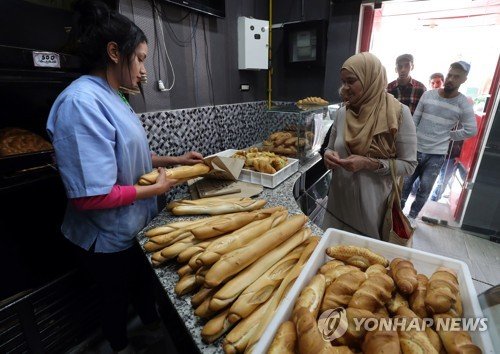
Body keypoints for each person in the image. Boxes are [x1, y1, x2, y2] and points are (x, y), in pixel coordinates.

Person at [46, 1, 203, 352]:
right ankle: (120, 347)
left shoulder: (116, 97)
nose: (144, 69)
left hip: (132, 226)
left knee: (144, 290)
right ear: (115, 52)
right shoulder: (81, 103)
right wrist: (157, 189)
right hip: (103, 239)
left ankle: (152, 333)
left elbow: (127, 158)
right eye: (142, 58)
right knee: (114, 305)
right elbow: (90, 196)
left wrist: (175, 158)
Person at [322, 52, 417, 239]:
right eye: (343, 82)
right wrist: (328, 155)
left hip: (372, 209)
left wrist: (368, 163)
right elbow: (331, 147)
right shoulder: (343, 112)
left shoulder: (398, 113)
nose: (345, 89)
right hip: (338, 203)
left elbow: (409, 165)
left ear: (370, 78)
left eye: (351, 81)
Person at [401, 61, 477, 226]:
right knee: (404, 185)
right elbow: (414, 121)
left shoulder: (463, 103)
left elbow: (471, 130)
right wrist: (410, 143)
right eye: (450, 75)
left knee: (425, 189)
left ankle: (411, 218)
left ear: (464, 80)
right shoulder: (428, 95)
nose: (451, 79)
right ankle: (396, 215)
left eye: (456, 77)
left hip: (437, 155)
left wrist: (449, 135)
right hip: (415, 149)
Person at [410, 72, 446, 195]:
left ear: (443, 82)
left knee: (426, 185)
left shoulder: (451, 100)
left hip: (438, 150)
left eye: (438, 82)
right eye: (433, 82)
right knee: (409, 179)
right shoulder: (426, 97)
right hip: (420, 145)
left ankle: (414, 213)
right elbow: (417, 119)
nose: (436, 85)